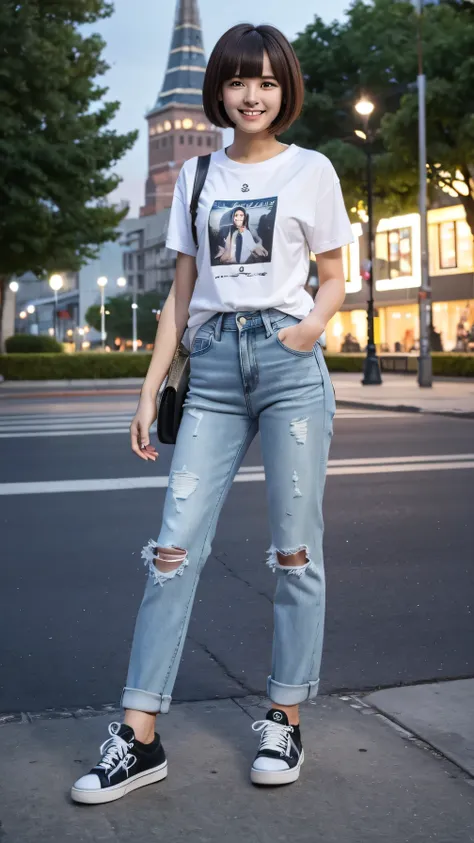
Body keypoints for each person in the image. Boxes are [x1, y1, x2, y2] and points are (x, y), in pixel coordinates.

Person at [71, 22, 354, 805]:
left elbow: (336, 276)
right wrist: (148, 386)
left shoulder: (313, 171)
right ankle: (139, 735)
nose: (251, 94)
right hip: (217, 370)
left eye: (265, 81)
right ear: (218, 94)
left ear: (283, 88)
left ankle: (286, 714)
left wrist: (307, 327)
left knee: (296, 551)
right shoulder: (197, 177)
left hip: (291, 366)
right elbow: (180, 294)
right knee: (171, 549)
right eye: (237, 82)